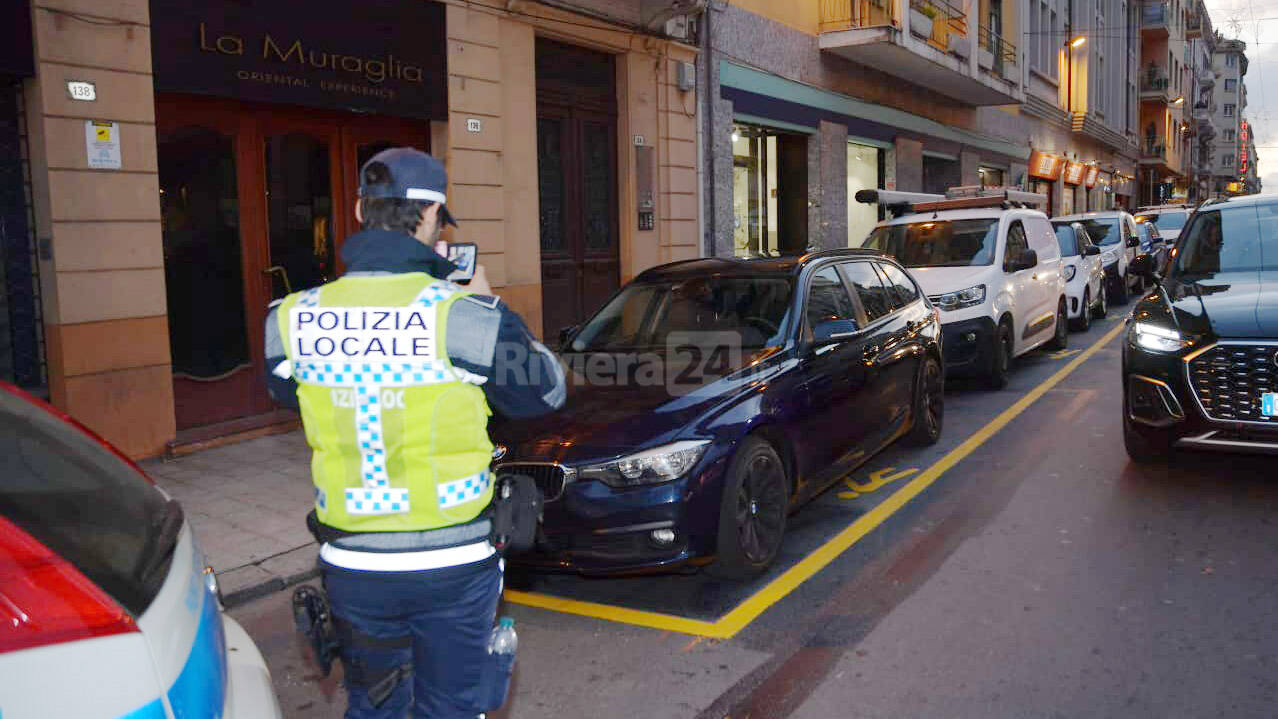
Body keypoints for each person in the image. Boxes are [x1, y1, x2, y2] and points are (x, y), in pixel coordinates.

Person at [264, 147, 566, 718]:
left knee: (375, 706)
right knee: (451, 708)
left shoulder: (289, 318)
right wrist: (483, 299)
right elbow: (546, 391)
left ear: (358, 210)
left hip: (353, 564)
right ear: (431, 219)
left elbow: (284, 392)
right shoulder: (464, 316)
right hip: (453, 565)